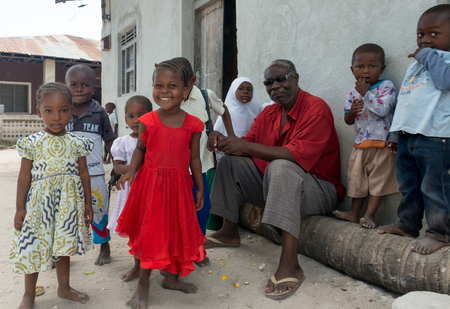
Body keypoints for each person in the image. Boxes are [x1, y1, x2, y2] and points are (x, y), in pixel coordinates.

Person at [205, 59, 345, 300]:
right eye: (269, 83)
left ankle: (291, 264)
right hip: (278, 185)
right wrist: (222, 141)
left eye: (281, 79)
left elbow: (293, 155)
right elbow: (245, 146)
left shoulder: (315, 108)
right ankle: (229, 232)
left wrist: (242, 145)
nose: (275, 86)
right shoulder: (268, 113)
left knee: (282, 166)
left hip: (319, 189)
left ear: (295, 78)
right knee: (229, 162)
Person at [115, 60, 206, 309]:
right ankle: (143, 284)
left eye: (172, 85)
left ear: (185, 91)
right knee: (151, 233)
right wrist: (131, 172)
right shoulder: (148, 120)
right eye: (158, 85)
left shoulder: (194, 124)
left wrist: (199, 187)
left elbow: (195, 159)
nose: (164, 90)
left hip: (178, 188)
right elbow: (140, 151)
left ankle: (172, 279)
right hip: (152, 187)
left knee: (177, 231)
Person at [10, 82, 94, 309]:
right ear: (39, 112)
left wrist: (88, 203)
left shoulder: (77, 142)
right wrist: (20, 208)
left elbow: (84, 173)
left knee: (63, 246)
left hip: (68, 205)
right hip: (39, 206)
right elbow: (24, 176)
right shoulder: (32, 143)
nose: (56, 117)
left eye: (63, 110)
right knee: (34, 247)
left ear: (71, 111)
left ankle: (64, 288)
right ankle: (29, 295)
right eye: (49, 111)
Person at [378, 4, 450, 254]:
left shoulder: (444, 61)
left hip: (437, 137)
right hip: (409, 136)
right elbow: (406, 100)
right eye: (421, 34)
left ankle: (440, 233)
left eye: (434, 34)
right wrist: (396, 132)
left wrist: (428, 55)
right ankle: (407, 224)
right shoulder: (415, 66)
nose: (425, 40)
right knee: (408, 185)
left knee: (435, 188)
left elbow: (445, 82)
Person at [171, 57, 235, 265]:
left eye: (181, 83)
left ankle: (198, 248)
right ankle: (178, 249)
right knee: (176, 210)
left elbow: (224, 112)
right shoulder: (170, 99)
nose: (177, 89)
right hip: (175, 168)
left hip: (201, 166)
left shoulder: (206, 96)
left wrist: (228, 135)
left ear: (192, 80)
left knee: (202, 208)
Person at [333, 44, 398, 229]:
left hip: (382, 145)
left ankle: (369, 216)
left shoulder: (387, 86)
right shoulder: (352, 93)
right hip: (360, 144)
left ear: (382, 68)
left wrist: (366, 94)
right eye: (360, 67)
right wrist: (352, 112)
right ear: (352, 69)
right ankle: (354, 213)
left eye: (372, 66)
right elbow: (347, 120)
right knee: (356, 180)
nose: (366, 71)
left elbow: (383, 110)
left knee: (378, 182)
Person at [65, 64, 115, 266]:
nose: (79, 89)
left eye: (85, 85)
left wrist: (119, 163)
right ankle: (62, 251)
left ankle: (104, 247)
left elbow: (111, 140)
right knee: (66, 213)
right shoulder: (61, 111)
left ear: (93, 89)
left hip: (94, 173)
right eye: (74, 84)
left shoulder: (100, 113)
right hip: (65, 175)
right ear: (66, 86)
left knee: (99, 210)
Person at [106, 95, 153, 282]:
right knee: (136, 231)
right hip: (132, 194)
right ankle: (137, 267)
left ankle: (161, 265)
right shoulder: (122, 142)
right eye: (131, 116)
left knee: (152, 229)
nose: (136, 121)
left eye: (141, 115)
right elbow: (117, 167)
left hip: (152, 192)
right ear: (125, 118)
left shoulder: (154, 139)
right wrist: (137, 170)